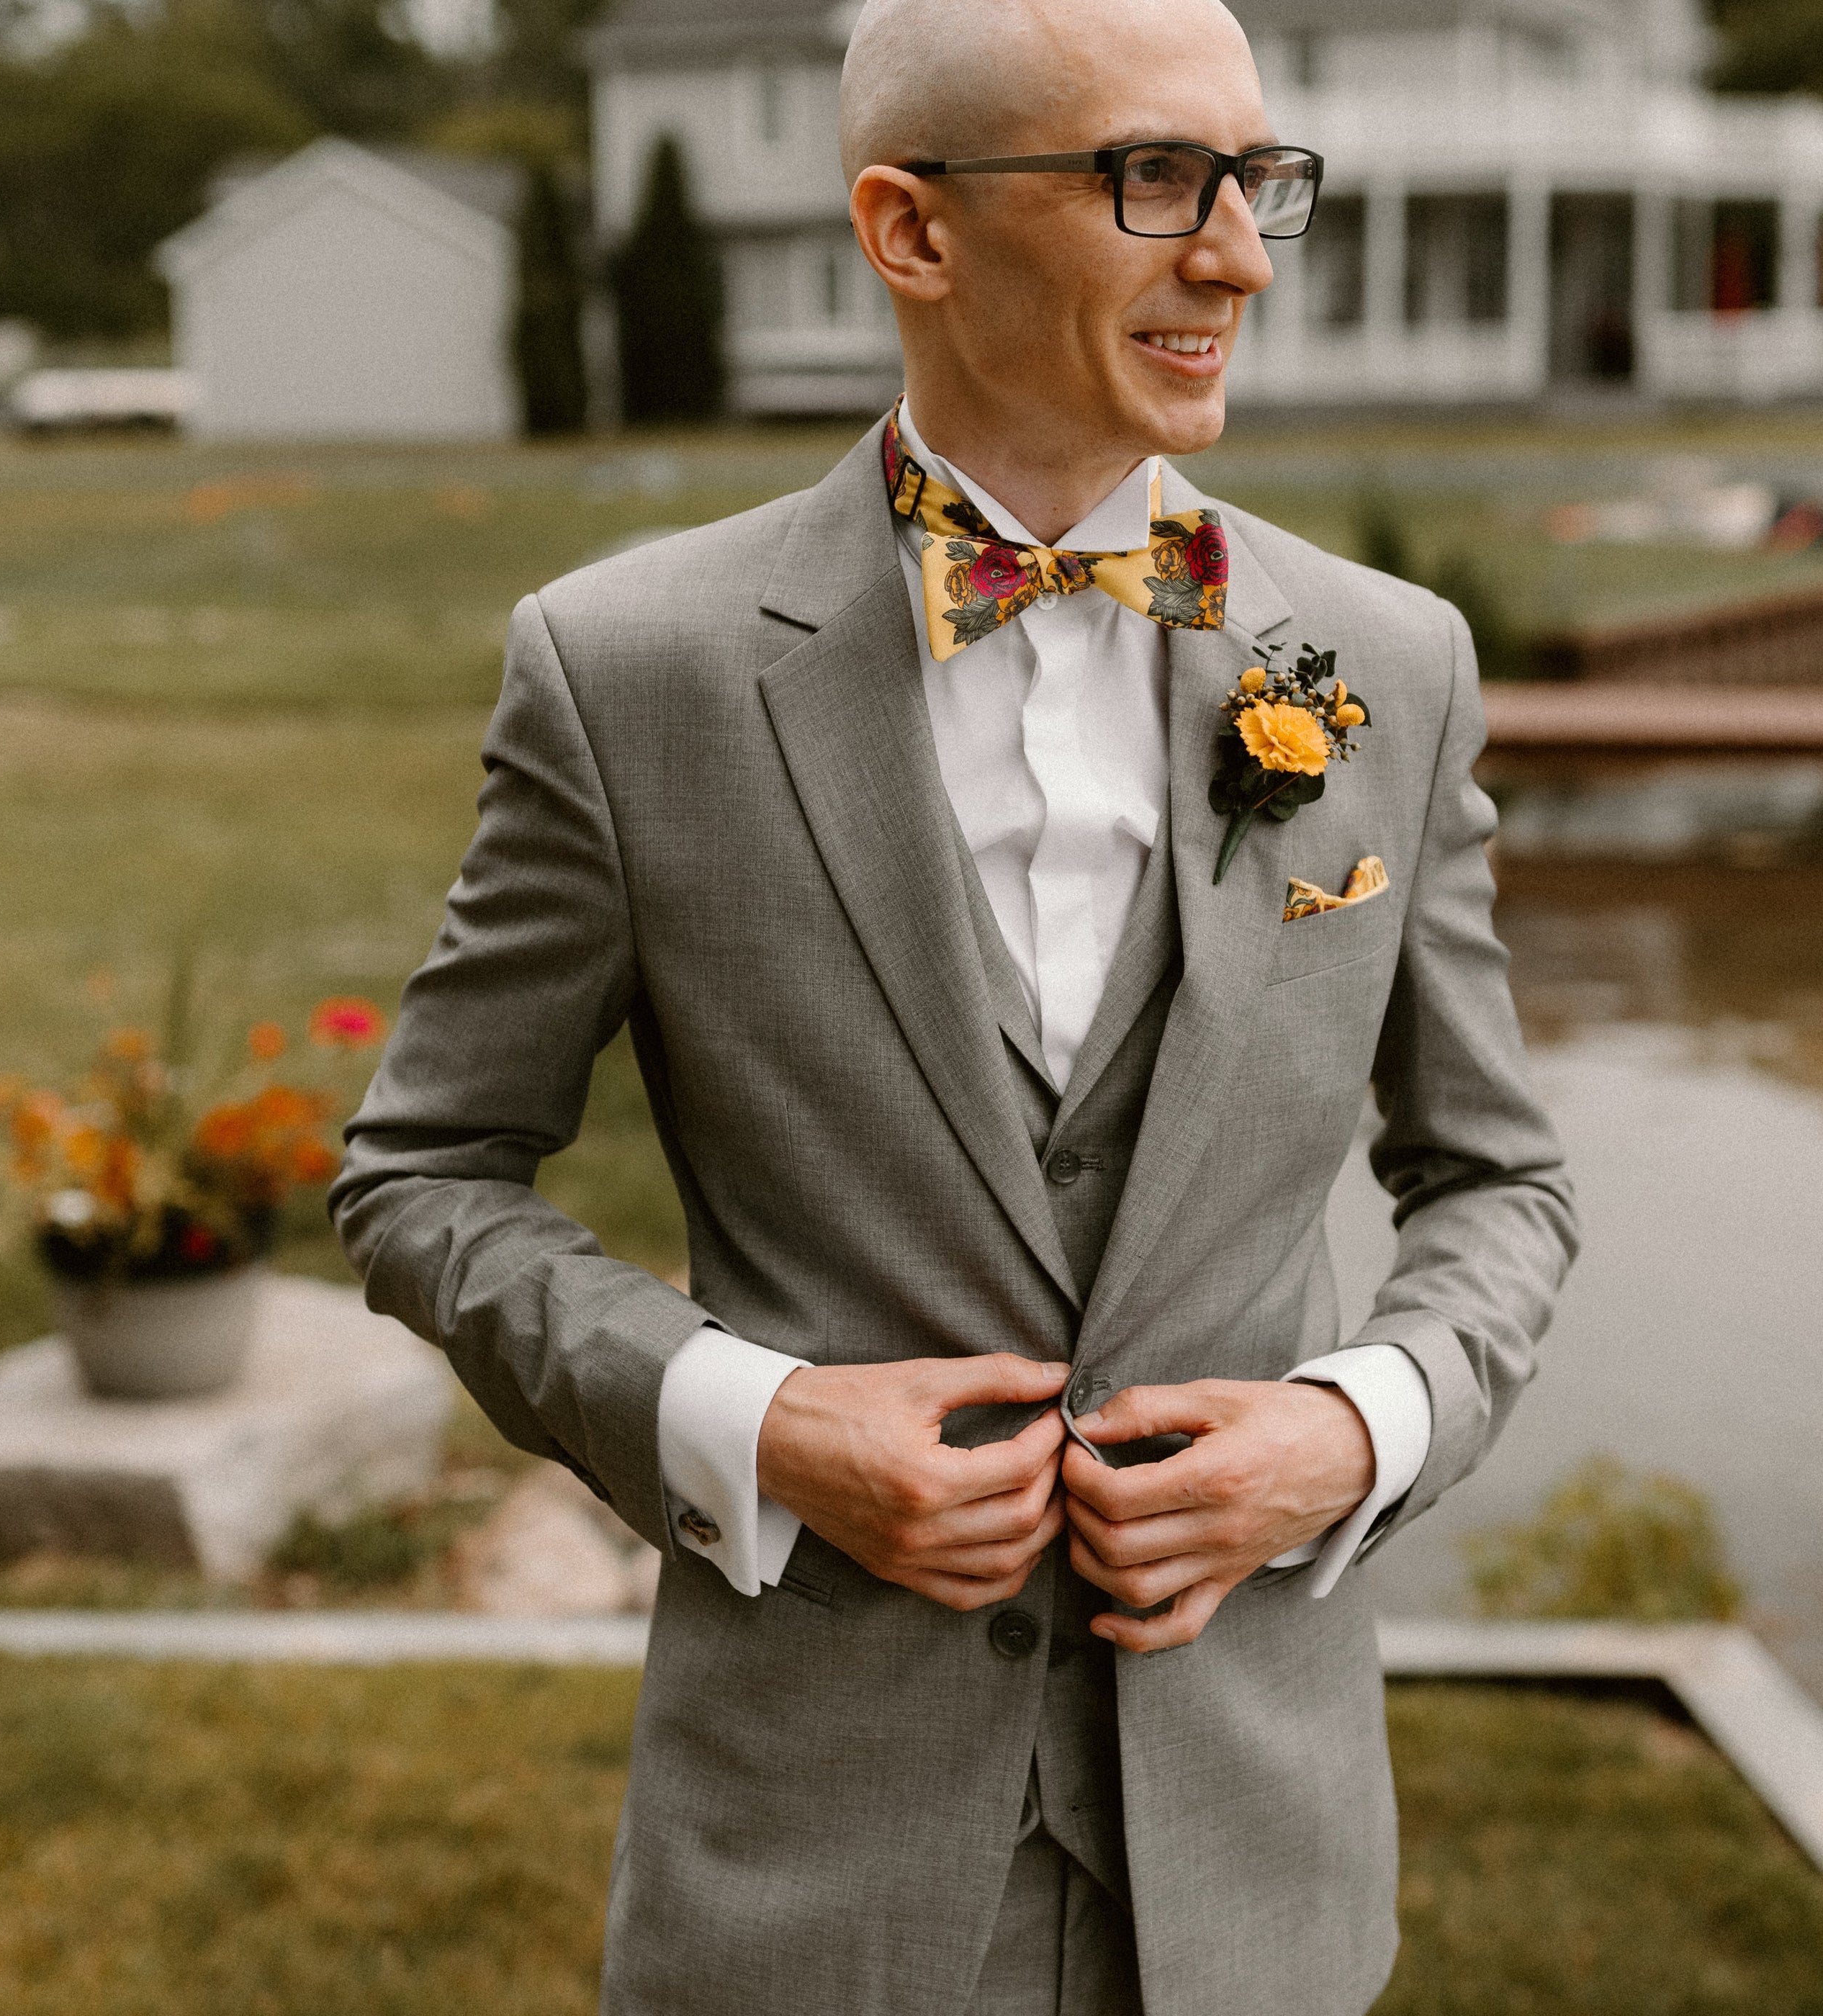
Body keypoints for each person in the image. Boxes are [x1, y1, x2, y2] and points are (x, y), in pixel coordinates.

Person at [332, 0, 1577, 2008]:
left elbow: (1500, 1183)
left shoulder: (1389, 666)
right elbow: (423, 1177)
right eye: (1157, 179)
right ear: (913, 233)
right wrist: (763, 1419)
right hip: (814, 1885)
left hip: (1259, 1877)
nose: (1243, 256)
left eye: (1261, 183)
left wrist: (1355, 1430)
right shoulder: (626, 671)